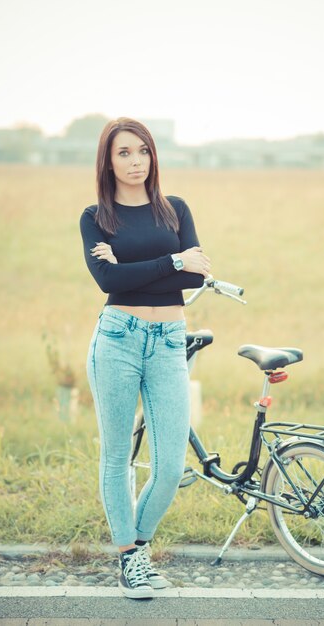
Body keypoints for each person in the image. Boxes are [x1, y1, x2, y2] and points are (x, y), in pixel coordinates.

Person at [79, 117, 211, 599]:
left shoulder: (175, 209)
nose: (136, 162)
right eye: (124, 153)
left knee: (171, 465)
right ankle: (132, 561)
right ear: (108, 161)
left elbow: (197, 280)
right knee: (117, 457)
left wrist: (133, 270)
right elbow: (110, 284)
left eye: (143, 151)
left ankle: (134, 544)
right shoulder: (95, 218)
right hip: (117, 339)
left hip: (169, 340)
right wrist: (173, 263)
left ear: (153, 156)